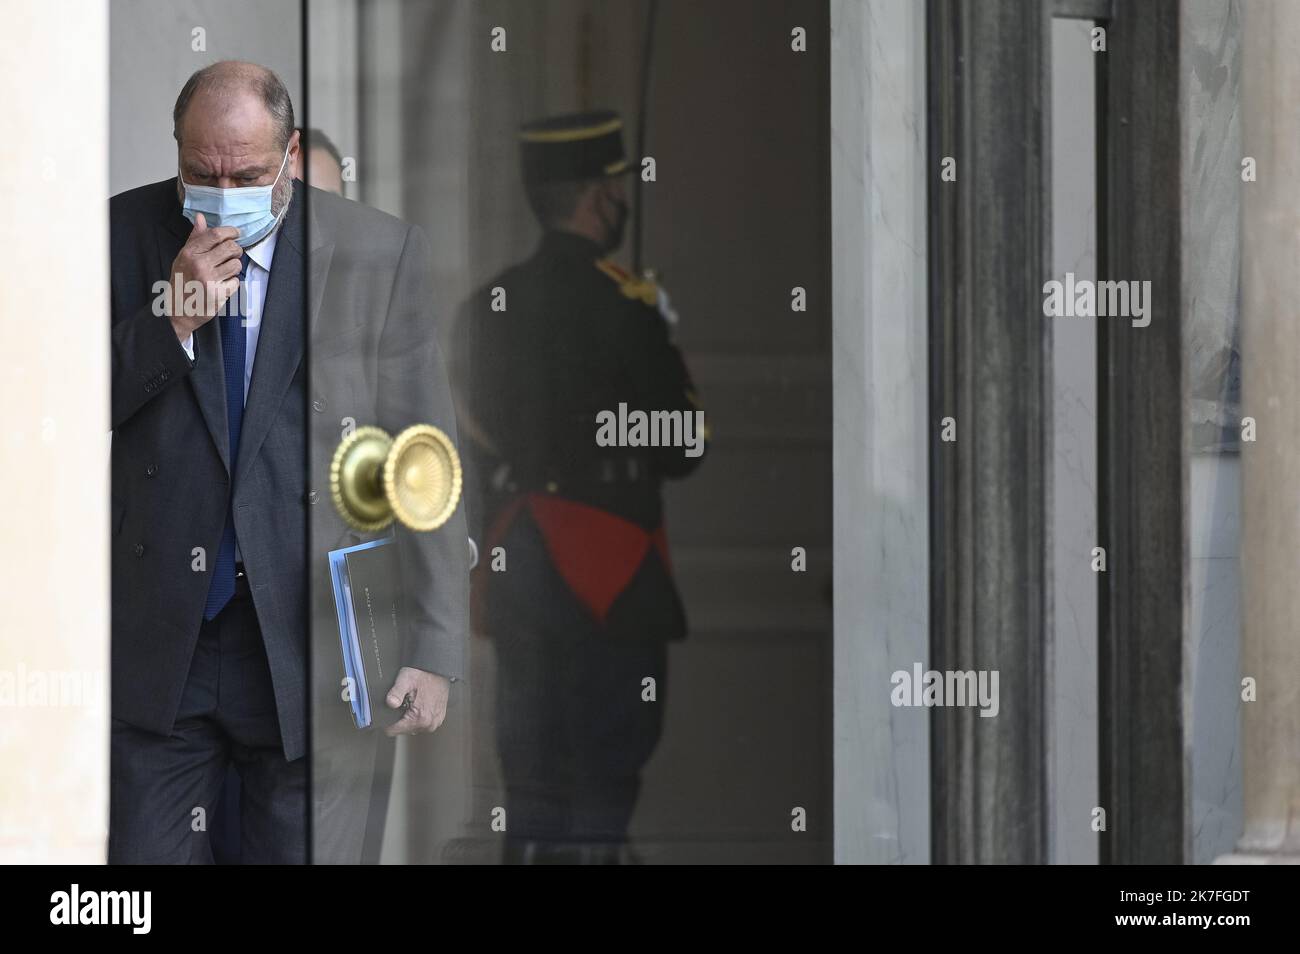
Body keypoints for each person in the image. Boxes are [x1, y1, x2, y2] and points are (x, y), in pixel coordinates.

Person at [109, 60, 468, 863]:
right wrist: (169, 322)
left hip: (316, 639)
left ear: (292, 155)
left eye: (248, 173)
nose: (223, 190)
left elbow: (422, 456)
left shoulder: (375, 251)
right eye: (202, 173)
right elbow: (57, 409)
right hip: (167, 640)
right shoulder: (118, 236)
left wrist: (437, 645)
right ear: (177, 154)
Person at [453, 110, 707, 863]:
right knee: (604, 783)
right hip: (614, 566)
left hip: (522, 558)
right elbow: (687, 445)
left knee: (529, 783)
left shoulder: (485, 307)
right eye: (615, 188)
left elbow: (468, 440)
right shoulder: (629, 305)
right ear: (598, 198)